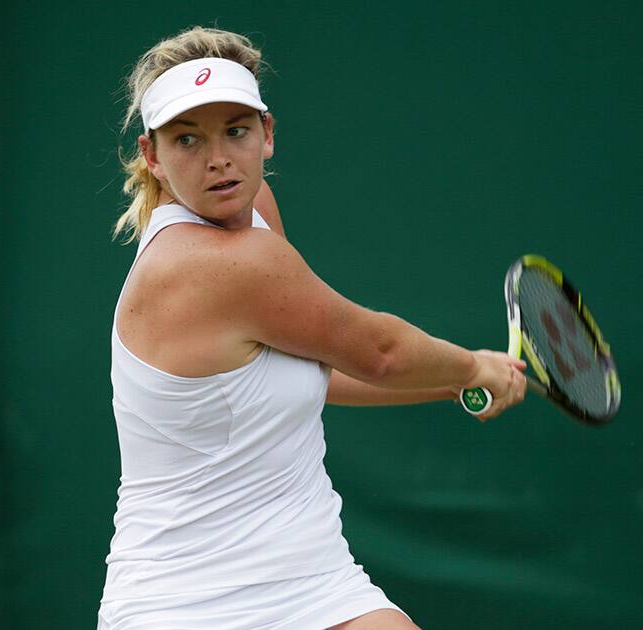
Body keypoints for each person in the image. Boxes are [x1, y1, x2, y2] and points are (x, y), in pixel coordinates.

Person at [98, 26, 526, 629]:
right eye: (188, 139)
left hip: (314, 580)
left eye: (236, 131)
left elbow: (313, 370)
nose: (218, 157)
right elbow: (376, 351)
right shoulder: (205, 264)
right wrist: (471, 366)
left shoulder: (255, 216)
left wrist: (453, 382)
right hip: (183, 602)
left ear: (267, 135)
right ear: (152, 156)